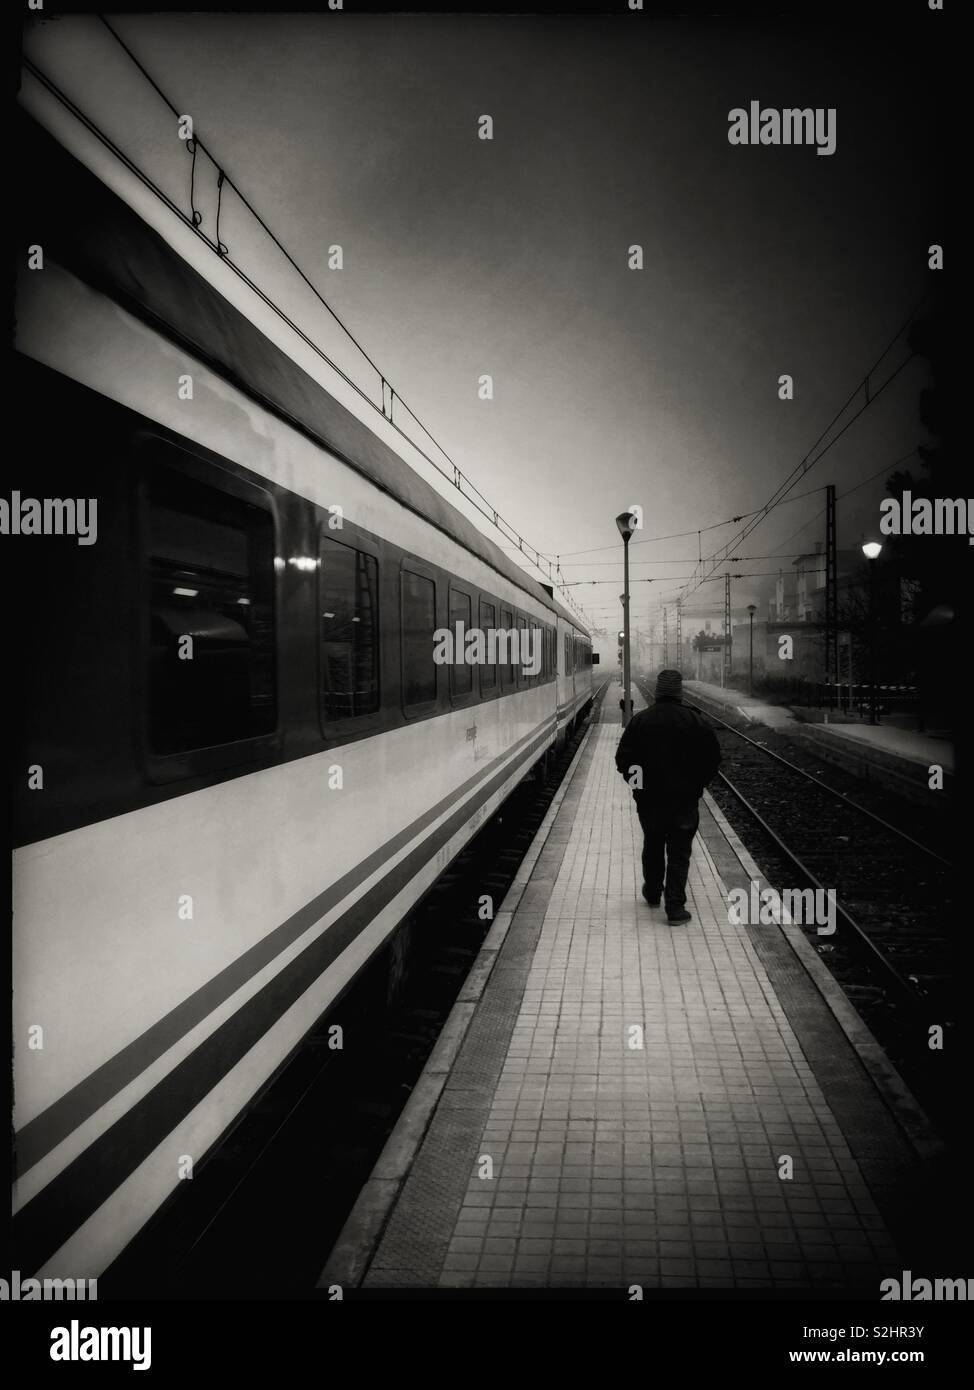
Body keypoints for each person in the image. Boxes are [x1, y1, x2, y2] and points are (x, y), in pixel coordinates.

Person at [614, 670, 721, 924]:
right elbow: (712, 761)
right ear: (680, 692)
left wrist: (638, 787)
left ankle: (652, 893)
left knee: (652, 845)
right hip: (684, 801)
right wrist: (697, 785)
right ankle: (675, 909)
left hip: (650, 801)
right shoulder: (697, 722)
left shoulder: (641, 721)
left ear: (659, 692)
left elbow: (624, 761)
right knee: (679, 853)